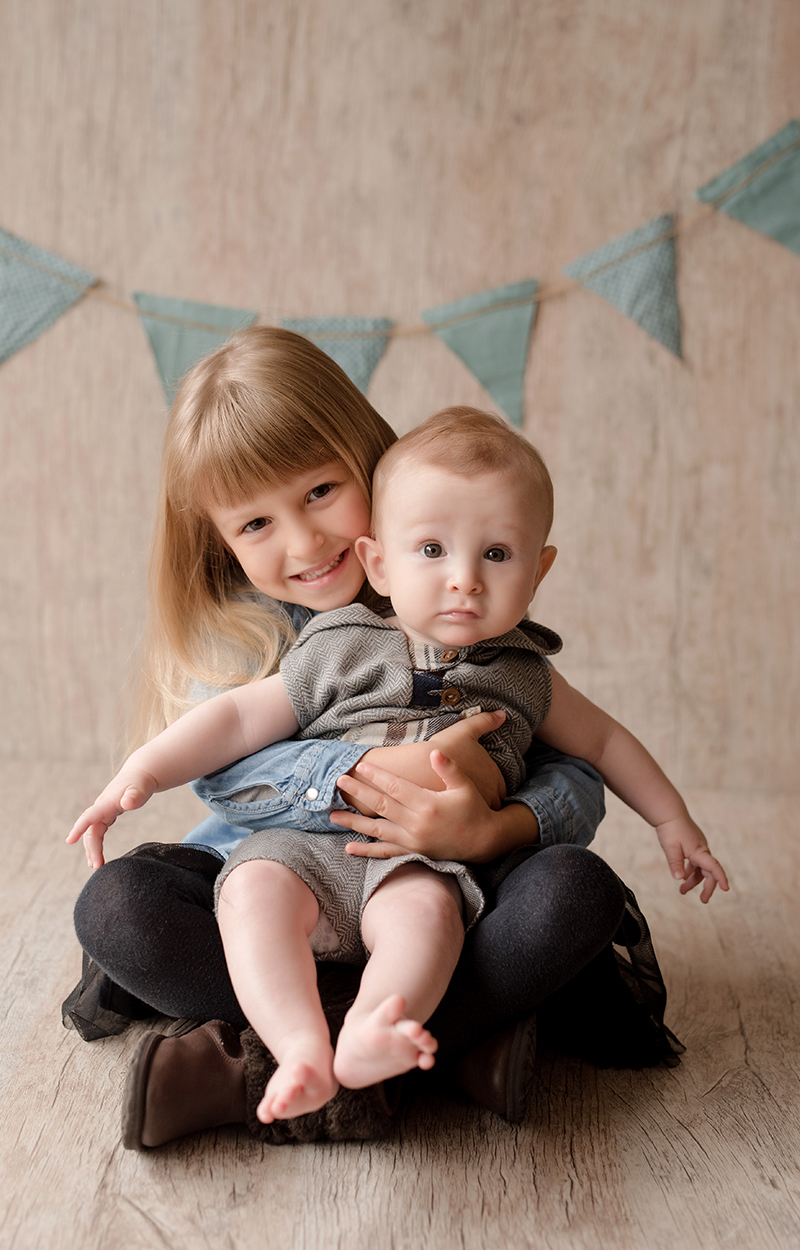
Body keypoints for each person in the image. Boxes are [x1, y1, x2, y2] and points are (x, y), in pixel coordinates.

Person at [65, 328, 680, 1151]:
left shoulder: (465, 589)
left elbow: (580, 763)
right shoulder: (248, 638)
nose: (304, 542)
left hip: (441, 883)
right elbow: (228, 756)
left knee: (574, 892)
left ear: (369, 462)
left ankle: (259, 1066)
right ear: (220, 538)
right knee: (119, 909)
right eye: (257, 522)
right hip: (286, 877)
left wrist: (493, 828)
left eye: (321, 490)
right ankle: (445, 1048)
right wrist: (368, 768)